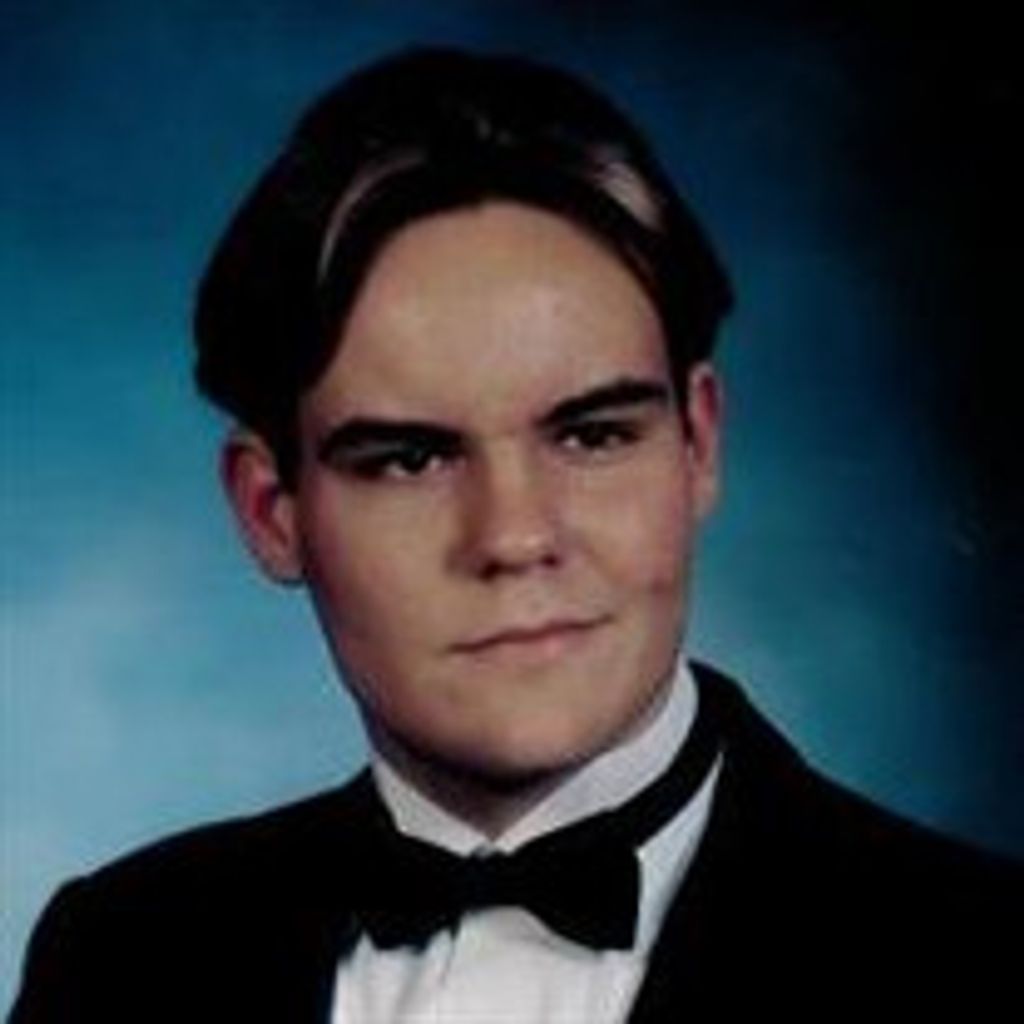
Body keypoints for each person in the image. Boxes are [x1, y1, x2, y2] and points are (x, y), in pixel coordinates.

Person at [9, 46, 1021, 1023]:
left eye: (591, 435)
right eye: (409, 459)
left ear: (698, 444)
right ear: (271, 512)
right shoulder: (122, 957)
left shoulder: (984, 959)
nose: (515, 536)